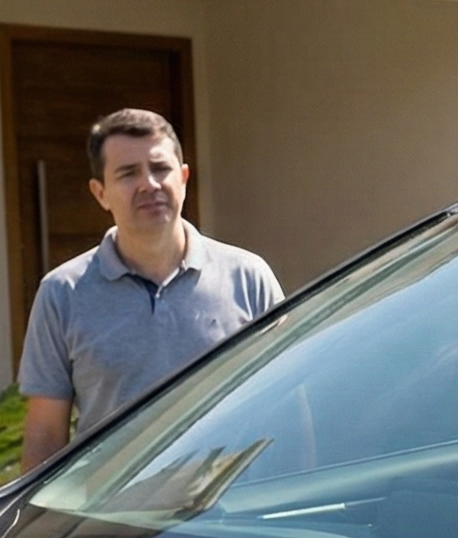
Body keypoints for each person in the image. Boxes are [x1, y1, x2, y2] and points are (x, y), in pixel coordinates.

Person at [18, 109, 281, 470]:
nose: (149, 184)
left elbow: (288, 406)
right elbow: (45, 436)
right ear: (100, 193)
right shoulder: (62, 294)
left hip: (233, 517)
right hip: (109, 521)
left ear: (184, 178)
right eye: (128, 174)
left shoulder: (249, 279)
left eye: (160, 169)